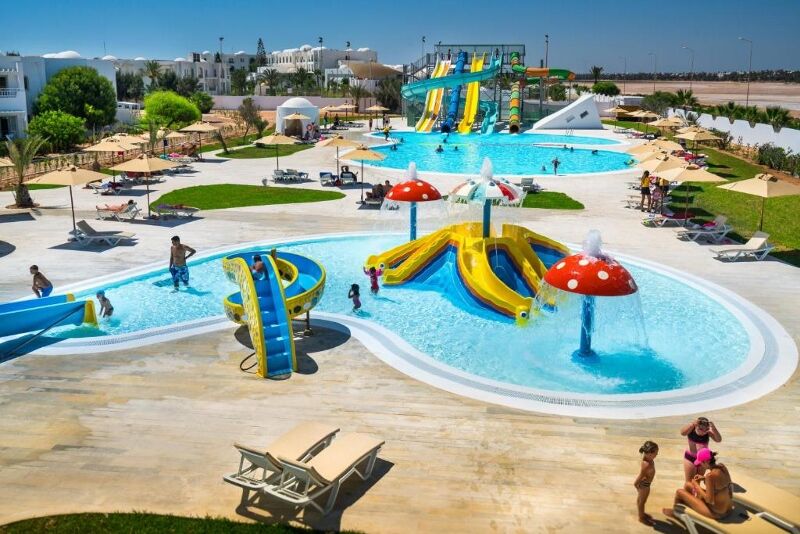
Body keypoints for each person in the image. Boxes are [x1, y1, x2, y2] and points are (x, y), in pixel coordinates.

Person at [663, 448, 733, 521]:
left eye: (701, 463)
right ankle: (685, 505)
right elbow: (730, 485)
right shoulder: (722, 467)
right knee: (687, 485)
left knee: (679, 492)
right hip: (728, 508)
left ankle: (675, 514)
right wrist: (704, 478)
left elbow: (709, 500)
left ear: (706, 461)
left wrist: (696, 485)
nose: (700, 465)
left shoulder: (710, 476)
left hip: (717, 513)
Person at [680, 417, 722, 481]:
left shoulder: (708, 432)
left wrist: (714, 428)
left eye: (706, 429)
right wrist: (692, 424)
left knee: (698, 481)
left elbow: (718, 440)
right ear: (696, 425)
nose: (703, 431)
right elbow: (682, 433)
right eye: (701, 429)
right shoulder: (691, 429)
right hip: (690, 458)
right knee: (689, 482)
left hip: (703, 460)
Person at [634, 441, 659, 526]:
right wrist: (636, 484)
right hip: (645, 485)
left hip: (644, 484)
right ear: (649, 454)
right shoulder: (647, 464)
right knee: (642, 502)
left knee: (640, 500)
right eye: (656, 453)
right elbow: (640, 476)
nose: (657, 454)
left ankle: (642, 514)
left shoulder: (648, 459)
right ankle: (641, 518)